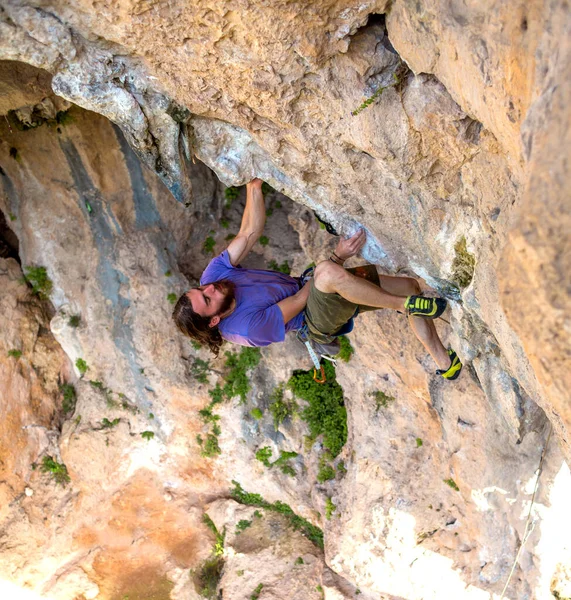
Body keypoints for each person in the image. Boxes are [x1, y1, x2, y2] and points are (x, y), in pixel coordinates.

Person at [173, 178, 462, 380]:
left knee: (410, 286)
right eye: (208, 298)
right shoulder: (247, 328)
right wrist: (337, 258)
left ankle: (444, 362)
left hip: (311, 288)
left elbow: (247, 233)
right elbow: (300, 301)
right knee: (326, 272)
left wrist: (254, 186)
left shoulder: (214, 277)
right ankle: (405, 304)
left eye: (201, 288)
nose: (209, 286)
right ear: (213, 320)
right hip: (313, 319)